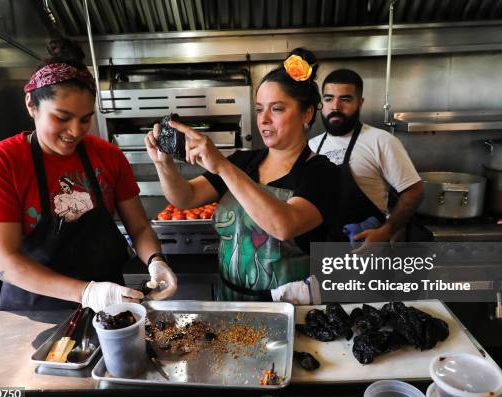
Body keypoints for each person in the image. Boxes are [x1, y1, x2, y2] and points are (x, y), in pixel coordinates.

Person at [0, 38, 177, 311]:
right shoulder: (1, 162)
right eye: (61, 117)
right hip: (32, 312)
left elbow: (139, 227)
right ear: (32, 105)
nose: (75, 131)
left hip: (109, 307)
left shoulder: (107, 156)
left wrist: (156, 261)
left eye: (85, 119)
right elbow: (6, 262)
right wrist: (87, 292)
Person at [146, 49, 343, 303]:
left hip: (291, 306)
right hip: (230, 300)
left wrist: (223, 167)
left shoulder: (323, 173)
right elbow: (185, 197)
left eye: (278, 109)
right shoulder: (244, 161)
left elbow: (283, 226)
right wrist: (164, 164)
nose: (264, 120)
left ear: (306, 114)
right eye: (260, 110)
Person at [309, 69, 424, 242]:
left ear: (360, 103)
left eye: (345, 99)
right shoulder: (312, 145)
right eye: (328, 98)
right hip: (323, 248)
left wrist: (386, 231)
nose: (335, 106)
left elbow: (414, 191)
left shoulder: (381, 141)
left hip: (365, 248)